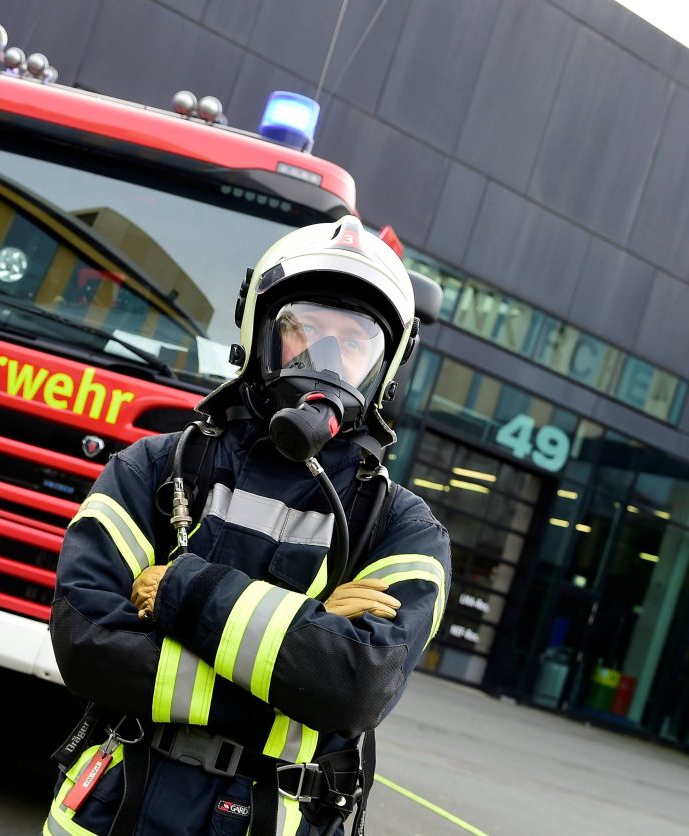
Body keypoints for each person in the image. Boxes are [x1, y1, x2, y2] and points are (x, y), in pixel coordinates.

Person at [44, 216, 451, 836]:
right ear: (260, 330)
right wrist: (302, 650)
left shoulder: (399, 527)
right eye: (304, 329)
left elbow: (354, 687)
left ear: (386, 367)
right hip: (114, 809)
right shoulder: (155, 467)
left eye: (354, 341)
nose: (325, 358)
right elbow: (88, 648)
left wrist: (180, 593)